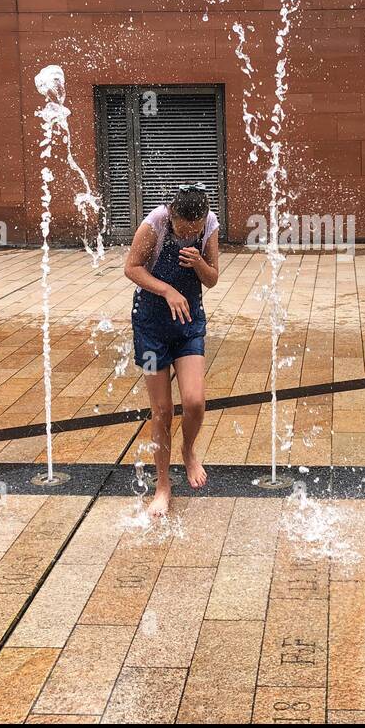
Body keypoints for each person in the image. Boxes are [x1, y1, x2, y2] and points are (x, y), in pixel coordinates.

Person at [124, 183, 220, 517]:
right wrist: (167, 291)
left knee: (194, 402)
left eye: (195, 230)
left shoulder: (209, 225)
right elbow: (131, 268)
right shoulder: (155, 224)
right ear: (173, 216)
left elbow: (212, 279)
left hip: (189, 326)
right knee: (162, 410)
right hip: (151, 329)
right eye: (184, 229)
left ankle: (188, 450)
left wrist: (198, 264)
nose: (189, 234)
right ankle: (162, 485)